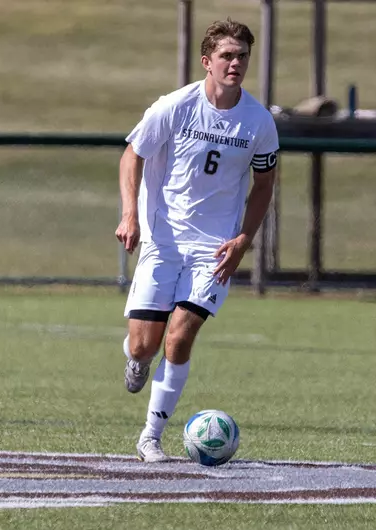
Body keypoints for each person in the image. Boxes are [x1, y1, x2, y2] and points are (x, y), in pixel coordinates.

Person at [114, 18, 280, 463]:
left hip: (214, 248)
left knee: (180, 337)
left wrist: (243, 238)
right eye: (227, 55)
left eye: (242, 56)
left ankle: (150, 436)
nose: (235, 63)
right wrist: (130, 214)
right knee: (145, 345)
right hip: (164, 239)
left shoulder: (259, 122)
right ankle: (136, 357)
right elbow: (132, 154)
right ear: (207, 61)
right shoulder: (175, 106)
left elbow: (264, 184)